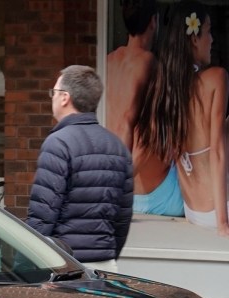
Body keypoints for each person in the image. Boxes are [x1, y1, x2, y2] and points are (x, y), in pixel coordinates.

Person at [26, 65, 134, 271]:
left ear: (65, 97)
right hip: (106, 264)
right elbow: (123, 216)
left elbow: (43, 212)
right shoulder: (117, 146)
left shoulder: (58, 143)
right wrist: (108, 254)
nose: (52, 98)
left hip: (64, 266)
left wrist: (31, 262)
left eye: (54, 92)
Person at [135, 2, 229, 236]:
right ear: (194, 38)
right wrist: (223, 223)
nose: (212, 39)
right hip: (220, 208)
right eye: (208, 31)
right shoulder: (217, 78)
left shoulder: (166, 89)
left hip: (194, 212)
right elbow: (217, 151)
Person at [106, 0, 184, 216]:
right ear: (154, 21)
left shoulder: (107, 61)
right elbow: (143, 134)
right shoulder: (148, 62)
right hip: (148, 193)